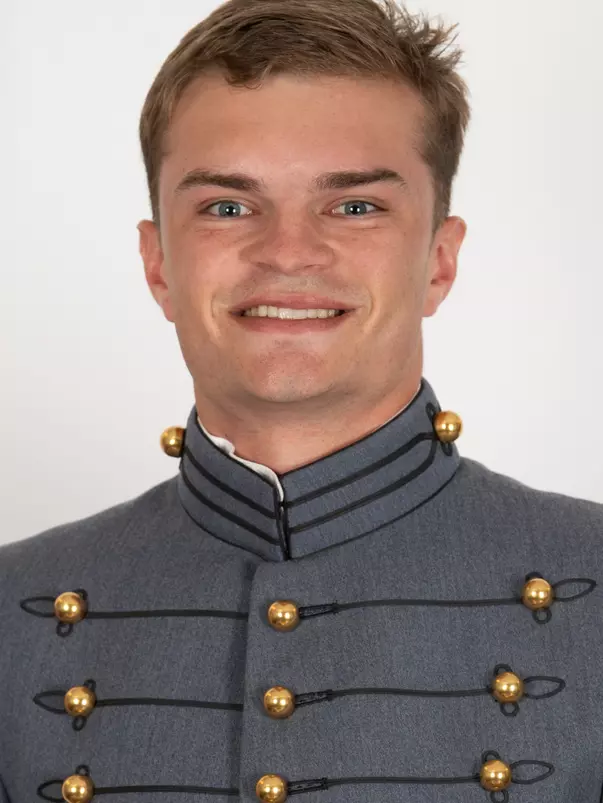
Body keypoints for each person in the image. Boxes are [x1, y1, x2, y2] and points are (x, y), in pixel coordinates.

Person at [1, 0, 601, 800]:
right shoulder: (15, 607)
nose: (287, 251)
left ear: (438, 263)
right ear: (158, 266)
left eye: (354, 206)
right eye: (226, 206)